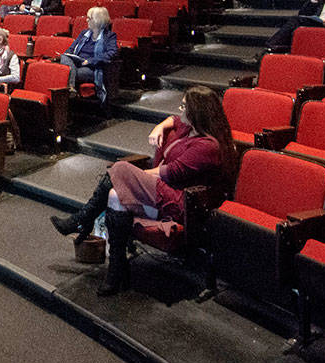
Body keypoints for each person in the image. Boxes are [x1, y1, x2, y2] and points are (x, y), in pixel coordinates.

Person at [49, 85, 235, 295]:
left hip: (180, 203)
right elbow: (173, 119)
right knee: (114, 195)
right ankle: (116, 270)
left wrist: (133, 178)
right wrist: (160, 127)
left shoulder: (208, 146)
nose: (180, 110)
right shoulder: (187, 128)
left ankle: (83, 218)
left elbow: (170, 173)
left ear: (196, 113)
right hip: (163, 192)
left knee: (119, 169)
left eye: (184, 106)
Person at [59, 6, 118, 103]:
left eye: (89, 18)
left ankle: (69, 89)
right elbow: (71, 48)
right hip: (76, 64)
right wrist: (70, 55)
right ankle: (71, 89)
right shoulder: (84, 33)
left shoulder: (109, 36)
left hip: (93, 68)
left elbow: (112, 53)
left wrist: (90, 61)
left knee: (66, 72)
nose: (86, 20)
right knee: (64, 56)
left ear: (97, 20)